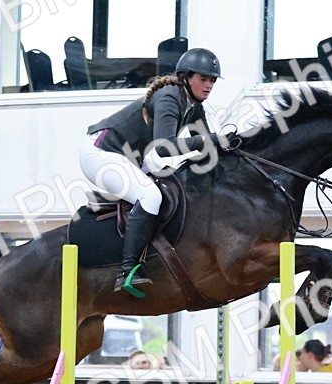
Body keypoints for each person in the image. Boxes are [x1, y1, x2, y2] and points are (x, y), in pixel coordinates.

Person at [80, 48, 228, 299]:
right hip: (100, 153)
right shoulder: (170, 96)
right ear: (186, 77)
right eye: (204, 79)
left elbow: (205, 151)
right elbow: (164, 146)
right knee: (151, 196)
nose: (209, 85)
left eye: (212, 80)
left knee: (173, 184)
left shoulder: (194, 108)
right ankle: (127, 270)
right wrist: (212, 140)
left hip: (130, 158)